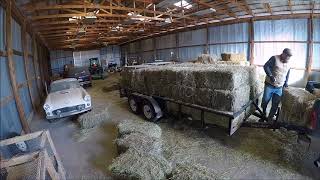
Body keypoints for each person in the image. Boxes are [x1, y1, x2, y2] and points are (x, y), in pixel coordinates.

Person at [261, 48, 292, 122]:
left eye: (289, 58)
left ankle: (270, 118)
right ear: (283, 54)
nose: (288, 59)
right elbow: (266, 66)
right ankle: (263, 113)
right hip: (269, 85)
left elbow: (288, 72)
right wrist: (270, 76)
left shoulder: (288, 62)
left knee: (275, 104)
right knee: (265, 101)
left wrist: (286, 82)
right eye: (287, 57)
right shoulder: (274, 58)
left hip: (279, 87)